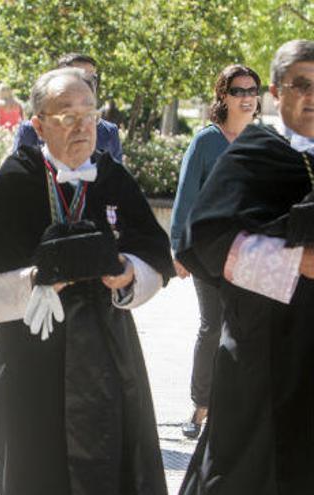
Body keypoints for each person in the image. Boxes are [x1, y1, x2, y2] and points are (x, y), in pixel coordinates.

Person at [0, 67, 173, 495]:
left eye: (90, 112)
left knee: (112, 464)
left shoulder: (112, 176)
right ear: (39, 124)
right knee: (35, 466)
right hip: (31, 353)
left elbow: (155, 257)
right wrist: (35, 282)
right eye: (67, 114)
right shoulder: (15, 180)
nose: (82, 124)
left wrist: (128, 275)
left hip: (106, 350)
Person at [177, 39, 314, 495]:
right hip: (262, 352)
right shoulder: (252, 155)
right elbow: (210, 241)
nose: (312, 95)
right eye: (301, 84)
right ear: (276, 92)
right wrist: (297, 263)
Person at [170, 64, 261, 440]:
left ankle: (236, 406)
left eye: (253, 90)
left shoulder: (260, 140)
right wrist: (178, 246)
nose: (247, 97)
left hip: (251, 253)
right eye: (238, 90)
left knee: (244, 328)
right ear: (222, 95)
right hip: (208, 251)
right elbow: (185, 194)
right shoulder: (206, 141)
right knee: (212, 326)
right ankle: (201, 406)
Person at [14, 53, 123, 162]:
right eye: (80, 77)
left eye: (93, 78)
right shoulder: (31, 130)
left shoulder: (109, 133)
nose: (89, 84)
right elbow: (17, 176)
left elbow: (117, 178)